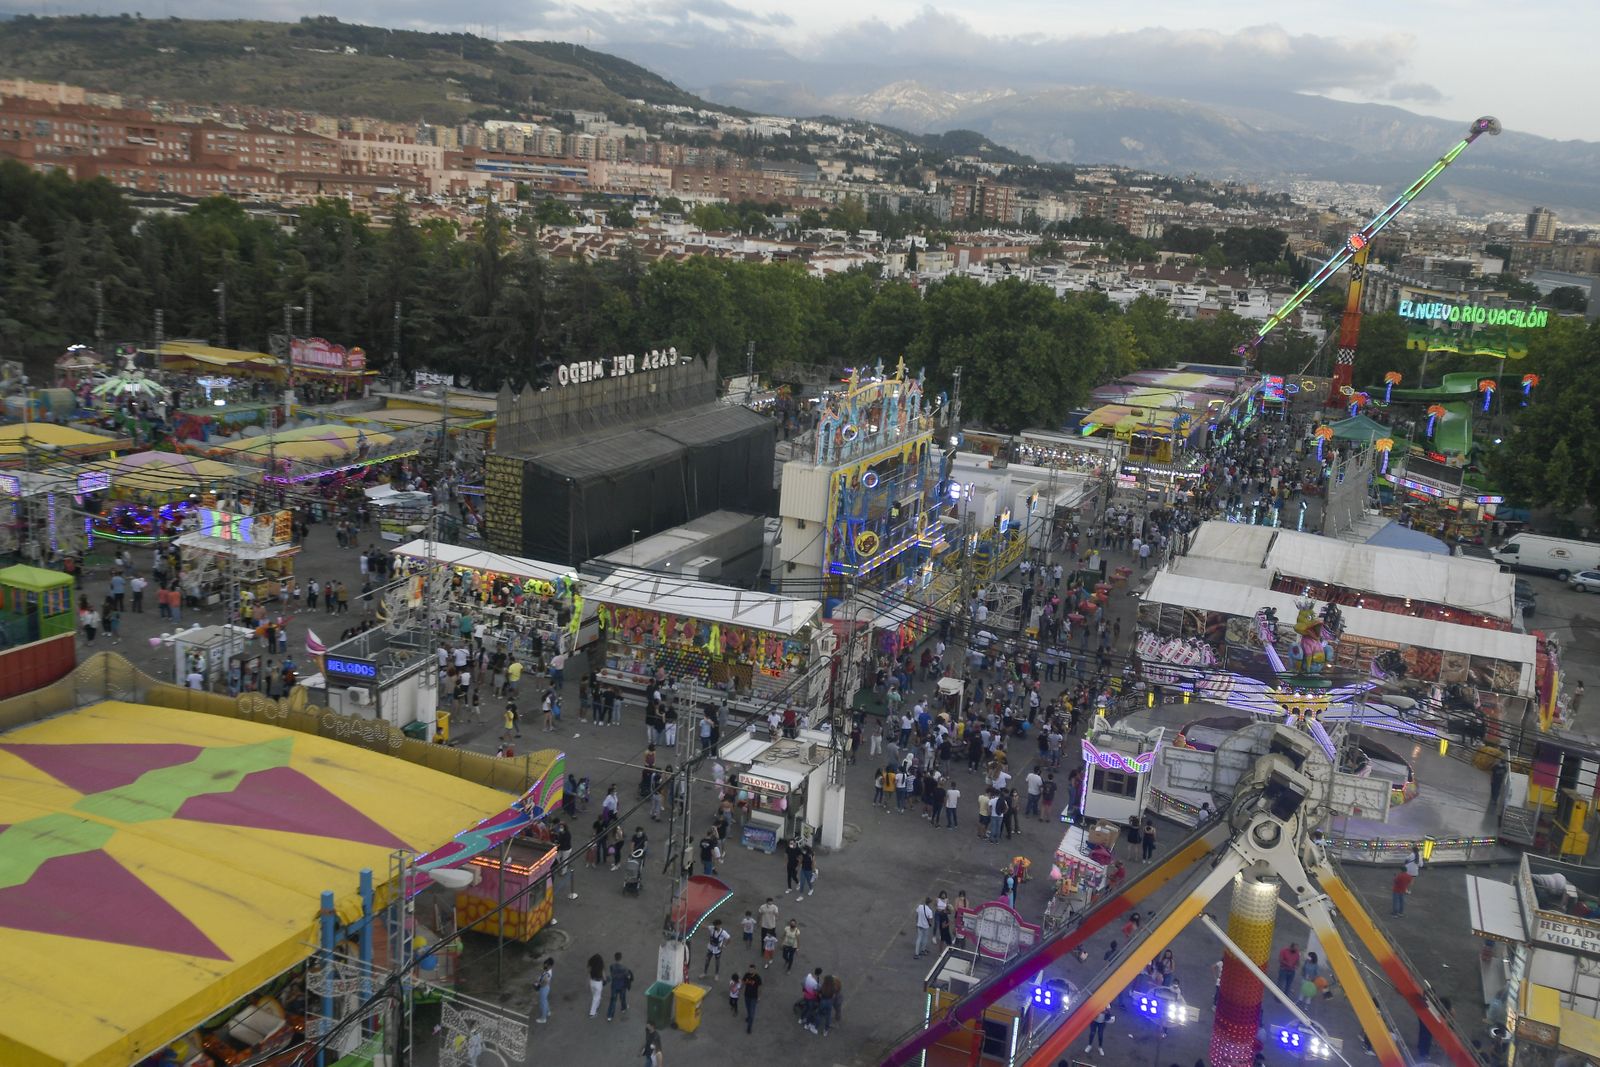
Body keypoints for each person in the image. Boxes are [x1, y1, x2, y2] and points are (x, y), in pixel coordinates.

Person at [607, 952, 632, 1020]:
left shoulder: (612, 966)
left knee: (613, 1000)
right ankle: (623, 1008)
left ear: (615, 958)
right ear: (621, 958)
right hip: (622, 986)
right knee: (622, 998)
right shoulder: (624, 968)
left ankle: (610, 1016)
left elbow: (611, 973)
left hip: (614, 986)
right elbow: (628, 976)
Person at [742, 965, 763, 1033]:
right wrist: (745, 983)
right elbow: (743, 982)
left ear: (754, 970)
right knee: (748, 1008)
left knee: (752, 1013)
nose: (750, 971)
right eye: (749, 969)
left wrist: (759, 996)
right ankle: (749, 1017)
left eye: (752, 970)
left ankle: (749, 1027)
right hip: (747, 995)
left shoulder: (757, 977)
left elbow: (760, 987)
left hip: (754, 997)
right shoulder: (746, 975)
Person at [534, 957, 554, 1023]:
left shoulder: (548, 974)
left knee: (543, 1003)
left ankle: (543, 1018)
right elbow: (543, 974)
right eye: (545, 964)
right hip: (546, 988)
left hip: (544, 989)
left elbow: (544, 983)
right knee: (545, 1001)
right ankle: (548, 1012)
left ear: (550, 966)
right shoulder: (548, 970)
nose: (544, 966)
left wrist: (537, 984)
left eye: (546, 965)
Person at [587, 952, 606, 1017]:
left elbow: (589, 972)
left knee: (594, 995)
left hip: (592, 981)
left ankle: (597, 1004)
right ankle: (592, 1013)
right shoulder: (601, 966)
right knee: (596, 997)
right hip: (598, 983)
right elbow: (603, 974)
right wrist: (605, 980)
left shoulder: (591, 965)